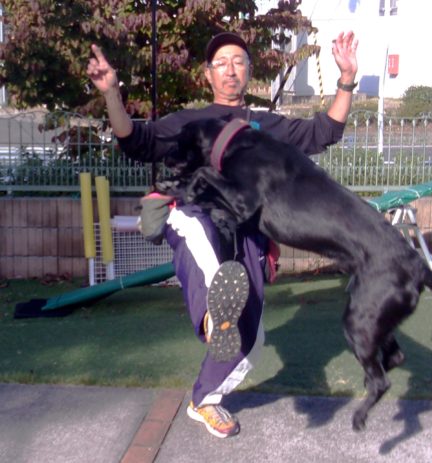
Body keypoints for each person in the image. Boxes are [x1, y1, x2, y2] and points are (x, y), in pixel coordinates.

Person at [87, 30, 358, 438]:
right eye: (221, 63)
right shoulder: (189, 121)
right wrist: (111, 93)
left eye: (238, 62)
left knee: (250, 341)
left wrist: (347, 79)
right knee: (199, 231)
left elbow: (324, 132)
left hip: (247, 232)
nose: (230, 70)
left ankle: (205, 398)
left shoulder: (266, 126)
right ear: (207, 74)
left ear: (249, 71)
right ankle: (216, 315)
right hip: (193, 212)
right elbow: (136, 141)